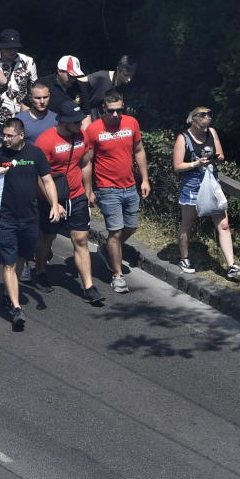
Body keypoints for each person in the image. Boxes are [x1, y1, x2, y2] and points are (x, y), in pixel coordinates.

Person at [0, 118, 64, 329]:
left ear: (21, 135)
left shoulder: (35, 154)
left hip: (30, 218)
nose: (5, 139)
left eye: (9, 136)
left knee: (21, 259)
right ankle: (16, 308)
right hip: (5, 218)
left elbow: (46, 180)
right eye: (4, 135)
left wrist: (54, 204)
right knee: (8, 263)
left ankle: (9, 292)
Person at [34, 101, 103, 303]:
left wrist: (88, 191)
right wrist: (53, 202)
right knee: (47, 238)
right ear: (64, 122)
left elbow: (85, 163)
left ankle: (89, 286)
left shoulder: (81, 136)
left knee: (81, 240)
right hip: (51, 199)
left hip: (77, 196)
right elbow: (39, 176)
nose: (81, 124)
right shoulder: (45, 141)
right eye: (76, 122)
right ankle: (40, 271)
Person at [86, 89, 150, 293]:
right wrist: (89, 190)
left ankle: (106, 249)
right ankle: (117, 275)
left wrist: (145, 180)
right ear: (104, 108)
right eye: (111, 111)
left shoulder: (131, 123)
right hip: (107, 188)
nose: (115, 115)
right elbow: (86, 162)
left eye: (119, 111)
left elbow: (139, 151)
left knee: (131, 227)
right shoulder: (94, 129)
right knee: (115, 232)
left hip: (130, 185)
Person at [173, 106, 240, 279]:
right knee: (188, 223)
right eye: (202, 115)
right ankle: (184, 258)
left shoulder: (212, 132)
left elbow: (221, 155)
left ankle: (231, 266)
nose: (207, 119)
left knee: (223, 224)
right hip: (192, 185)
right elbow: (177, 167)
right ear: (193, 119)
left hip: (211, 182)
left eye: (209, 115)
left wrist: (214, 158)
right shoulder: (183, 138)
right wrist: (196, 164)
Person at [0, 29, 38, 125]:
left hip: (21, 117)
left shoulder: (28, 62)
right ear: (1, 47)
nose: (12, 51)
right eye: (8, 48)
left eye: (15, 48)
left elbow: (35, 87)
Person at [36, 55, 92, 121]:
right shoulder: (43, 83)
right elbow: (27, 105)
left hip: (74, 128)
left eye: (76, 76)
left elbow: (87, 115)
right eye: (70, 75)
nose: (73, 79)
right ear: (60, 71)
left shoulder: (81, 87)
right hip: (47, 126)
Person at [84, 55, 136, 121]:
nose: (129, 79)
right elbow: (81, 84)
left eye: (131, 76)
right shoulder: (102, 77)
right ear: (118, 70)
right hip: (92, 118)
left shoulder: (126, 87)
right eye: (126, 75)